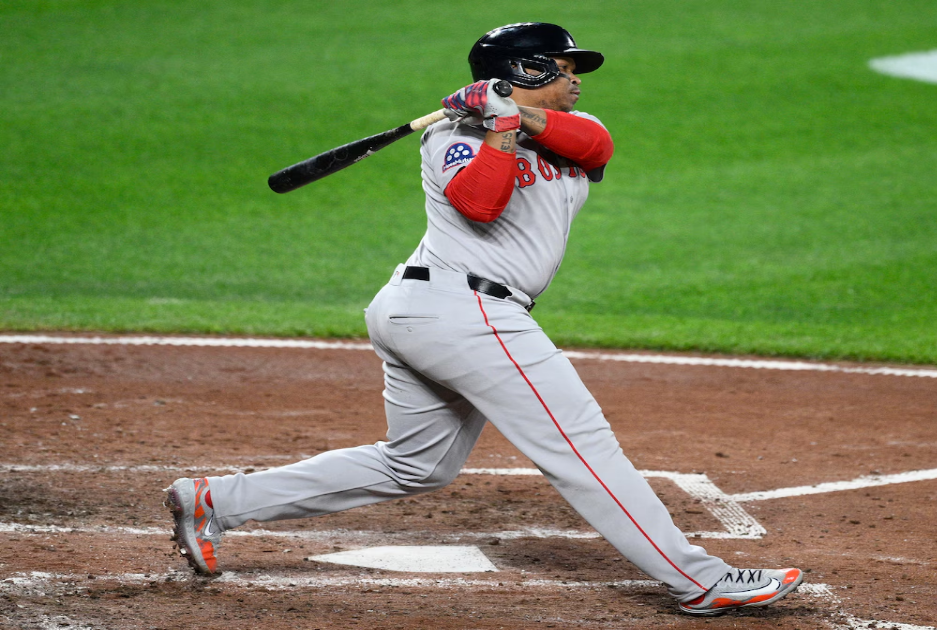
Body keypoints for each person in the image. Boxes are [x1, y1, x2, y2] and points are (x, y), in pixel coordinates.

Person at [165, 22, 803, 616]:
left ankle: (215, 501)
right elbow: (480, 204)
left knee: (418, 465)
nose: (577, 78)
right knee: (580, 445)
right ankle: (699, 581)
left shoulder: (574, 126)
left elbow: (596, 146)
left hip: (444, 312)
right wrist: (495, 129)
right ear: (523, 70)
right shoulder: (449, 137)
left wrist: (512, 115)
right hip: (459, 311)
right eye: (563, 67)